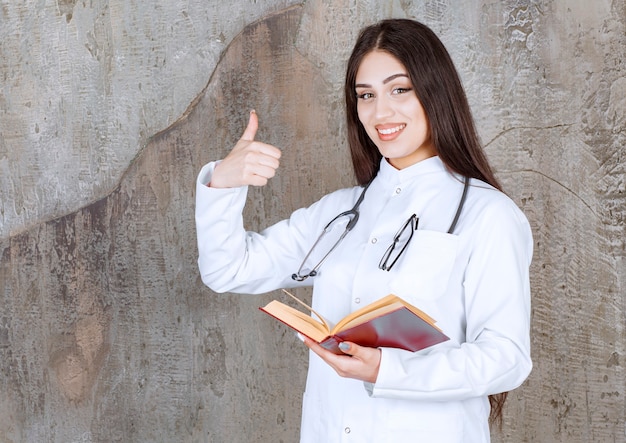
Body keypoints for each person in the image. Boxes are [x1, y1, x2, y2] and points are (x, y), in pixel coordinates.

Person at [195, 18, 532, 443]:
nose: (380, 113)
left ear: (435, 92)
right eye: (365, 96)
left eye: (399, 90)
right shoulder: (341, 212)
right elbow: (227, 269)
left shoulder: (488, 215)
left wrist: (386, 370)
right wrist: (223, 184)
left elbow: (507, 358)